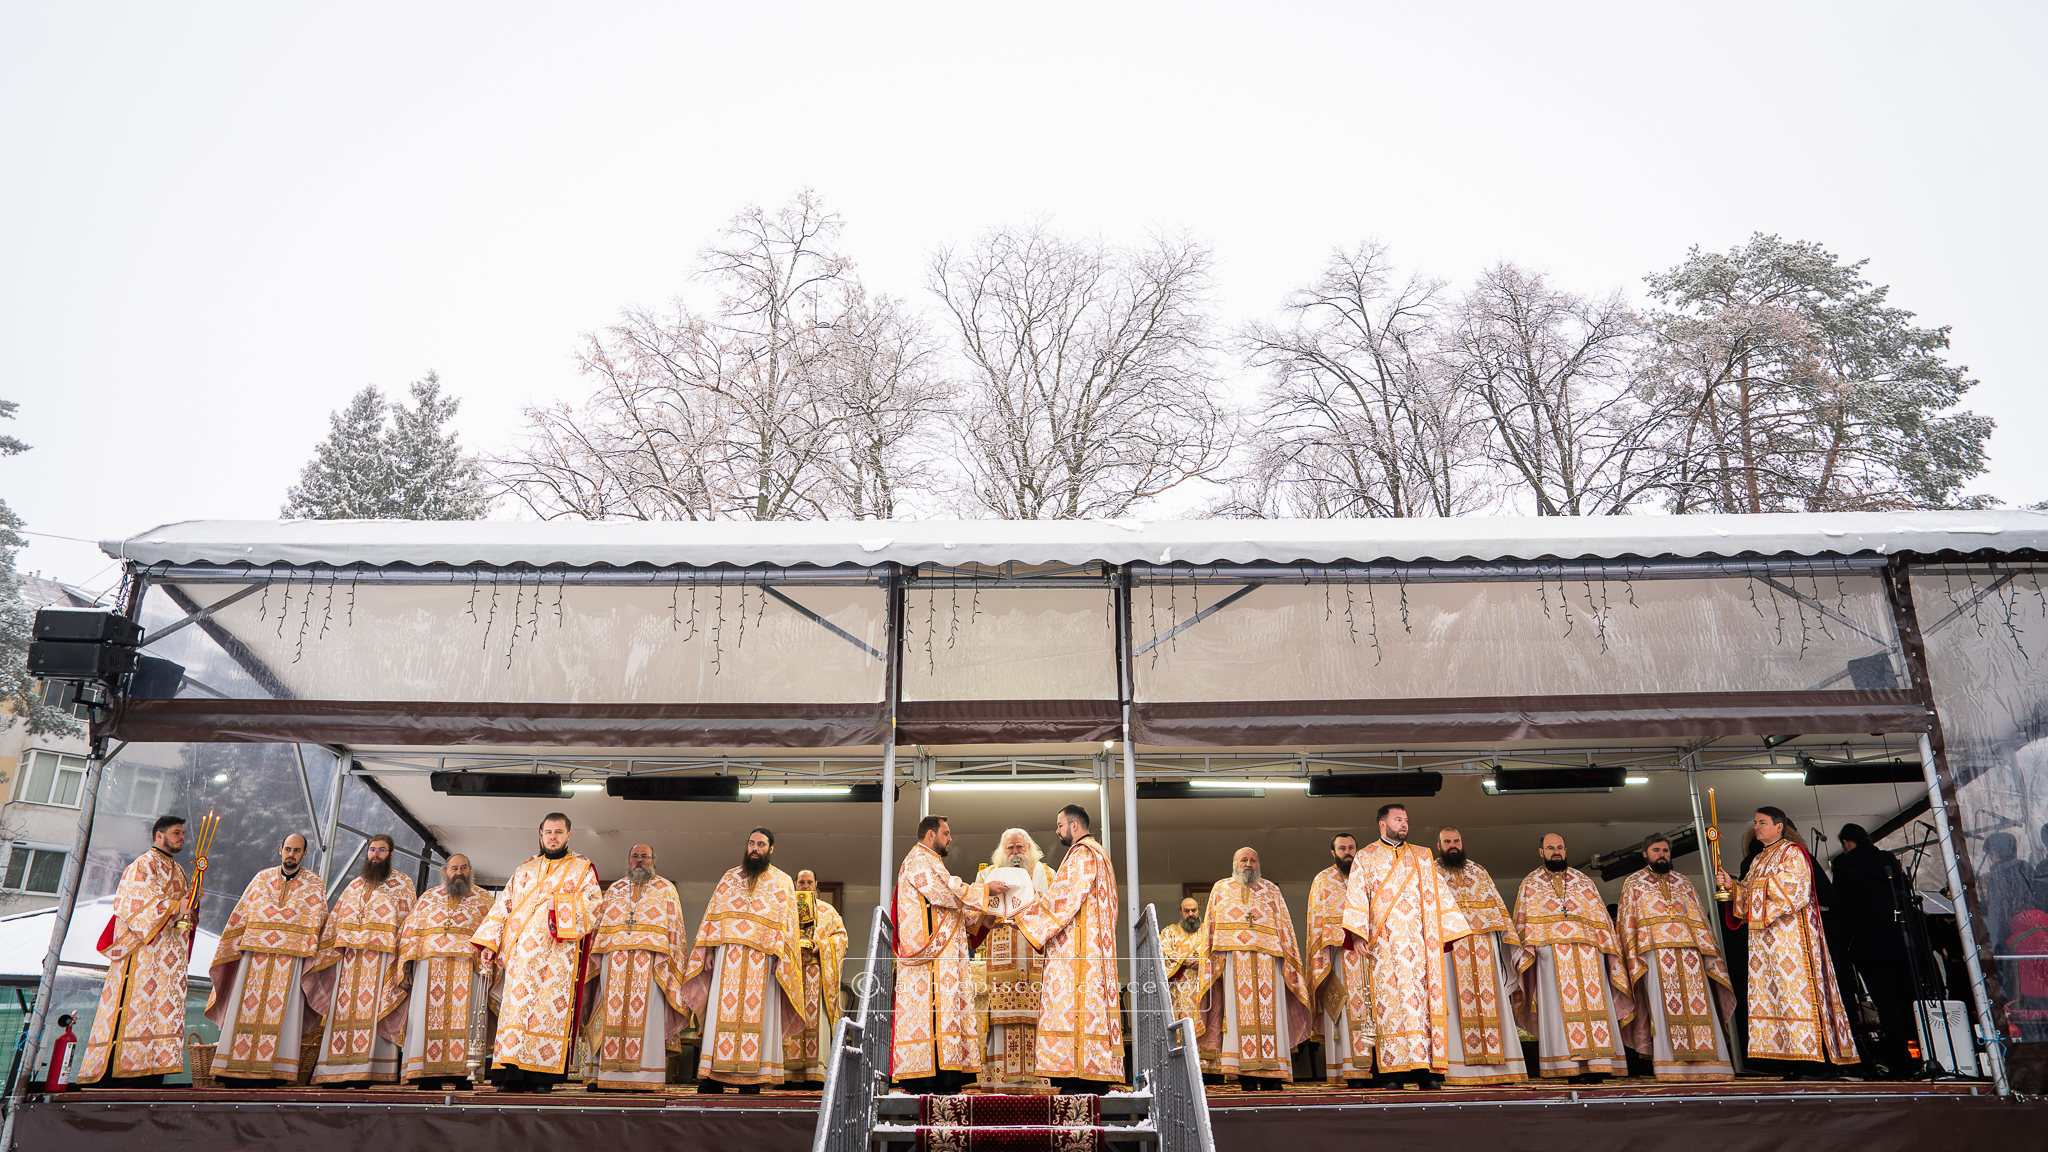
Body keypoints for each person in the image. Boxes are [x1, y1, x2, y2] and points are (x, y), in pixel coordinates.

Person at [1716, 807, 1859, 1079]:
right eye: (1755, 822)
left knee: (1799, 998)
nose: (1756, 827)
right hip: (1765, 945)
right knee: (1777, 999)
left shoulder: (1793, 852)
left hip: (1794, 943)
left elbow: (1793, 892)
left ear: (1779, 826)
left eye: (1762, 822)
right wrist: (1733, 886)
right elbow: (1746, 898)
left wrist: (1747, 889)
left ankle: (1817, 1063)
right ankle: (1791, 1059)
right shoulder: (1758, 859)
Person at [1340, 805, 1474, 1090]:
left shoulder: (1422, 855)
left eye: (1406, 820)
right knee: (1391, 1006)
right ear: (1382, 824)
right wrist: (1358, 934)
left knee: (1422, 1006)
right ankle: (1393, 1074)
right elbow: (1357, 894)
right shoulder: (1366, 856)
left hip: (1420, 945)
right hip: (1385, 945)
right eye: (1398, 819)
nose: (1404, 824)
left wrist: (1444, 934)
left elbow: (1439, 896)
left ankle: (1428, 1072)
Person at [472, 812, 602, 1094]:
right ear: (541, 835)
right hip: (521, 957)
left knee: (547, 1013)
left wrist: (562, 905)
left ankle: (542, 1078)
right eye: (548, 832)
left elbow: (594, 905)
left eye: (558, 832)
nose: (553, 837)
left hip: (558, 957)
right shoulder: (525, 869)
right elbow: (503, 906)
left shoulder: (581, 868)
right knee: (516, 1013)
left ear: (569, 835)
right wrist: (490, 944)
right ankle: (510, 1076)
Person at [680, 827, 807, 1094]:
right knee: (720, 1012)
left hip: (764, 960)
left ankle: (754, 1077)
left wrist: (782, 957)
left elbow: (788, 926)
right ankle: (713, 1077)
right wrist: (709, 950)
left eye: (760, 844)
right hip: (728, 957)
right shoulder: (730, 877)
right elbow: (713, 915)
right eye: (751, 843)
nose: (754, 848)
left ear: (771, 849)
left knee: (759, 1017)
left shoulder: (782, 881)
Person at [207, 832, 328, 1086]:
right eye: (288, 849)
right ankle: (233, 1068)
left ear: (305, 854)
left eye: (296, 850)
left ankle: (277, 1071)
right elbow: (242, 914)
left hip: (291, 961)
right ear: (280, 850)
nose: (291, 855)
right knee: (244, 1009)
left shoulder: (314, 884)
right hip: (254, 959)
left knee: (283, 1014)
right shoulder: (261, 878)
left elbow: (317, 922)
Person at [1016, 804, 1121, 1095]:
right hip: (1094, 950)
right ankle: (1089, 1075)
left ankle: (1079, 1077)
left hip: (1079, 953)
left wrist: (1024, 918)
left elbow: (1062, 897)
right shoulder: (1100, 854)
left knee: (1074, 1007)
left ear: (1074, 826)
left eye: (1060, 825)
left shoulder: (1083, 853)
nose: (1057, 831)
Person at [1511, 833, 1632, 1083]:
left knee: (1595, 1005)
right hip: (1551, 958)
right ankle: (1567, 1066)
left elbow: (1602, 921)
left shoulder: (1583, 881)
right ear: (1541, 852)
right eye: (1550, 848)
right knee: (1558, 1009)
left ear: (1566, 851)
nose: (1556, 852)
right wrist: (1537, 951)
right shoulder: (1530, 883)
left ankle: (1599, 1064)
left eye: (1560, 847)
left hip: (1589, 956)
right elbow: (1523, 925)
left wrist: (1604, 949)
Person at [79, 815, 191, 1086]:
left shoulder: (179, 871)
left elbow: (183, 914)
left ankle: (153, 1069)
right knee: (134, 1009)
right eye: (176, 833)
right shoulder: (143, 864)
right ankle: (119, 1072)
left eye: (182, 833)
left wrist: (191, 909)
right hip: (142, 955)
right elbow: (134, 905)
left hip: (168, 959)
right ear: (159, 835)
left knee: (161, 1011)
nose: (181, 838)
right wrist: (176, 906)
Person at [1614, 834, 1736, 1081]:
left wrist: (1706, 950)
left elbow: (1699, 919)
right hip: (1655, 953)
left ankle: (1712, 1067)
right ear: (1645, 854)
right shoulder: (1633, 883)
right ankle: (1672, 1068)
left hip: (1690, 954)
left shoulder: (1683, 882)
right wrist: (1633, 957)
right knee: (1663, 1008)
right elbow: (1627, 924)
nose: (1662, 855)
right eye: (1656, 850)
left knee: (1701, 1006)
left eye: (1666, 851)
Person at [890, 814, 996, 1094]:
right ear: (930, 835)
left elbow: (948, 910)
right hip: (926, 960)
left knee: (946, 1010)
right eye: (946, 833)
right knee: (931, 1014)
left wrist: (982, 920)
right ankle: (928, 1078)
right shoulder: (917, 860)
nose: (950, 839)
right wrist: (986, 890)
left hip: (942, 959)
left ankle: (948, 1075)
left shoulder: (932, 862)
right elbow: (947, 895)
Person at [305, 833, 416, 1085]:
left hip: (382, 963)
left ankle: (370, 1071)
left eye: (381, 850)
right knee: (342, 1014)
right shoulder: (354, 885)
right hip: (350, 963)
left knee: (375, 1012)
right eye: (372, 850)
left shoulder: (403, 884)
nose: (375, 854)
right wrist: (322, 954)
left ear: (391, 854)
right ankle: (334, 1073)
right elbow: (334, 922)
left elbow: (409, 927)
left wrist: (406, 966)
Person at [1198, 846, 1311, 1091]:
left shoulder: (1272, 890)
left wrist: (1289, 959)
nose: (1248, 864)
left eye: (1253, 860)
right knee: (1237, 1015)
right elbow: (1210, 929)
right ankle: (1245, 1076)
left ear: (1258, 864)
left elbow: (1286, 929)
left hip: (1269, 961)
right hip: (1234, 961)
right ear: (1235, 864)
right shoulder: (1221, 888)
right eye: (1244, 860)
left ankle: (1274, 1074)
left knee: (1273, 1013)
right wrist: (1211, 961)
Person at [380, 853, 495, 1090]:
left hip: (469, 969)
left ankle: (464, 1076)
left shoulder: (484, 899)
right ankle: (427, 1076)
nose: (459, 872)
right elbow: (409, 933)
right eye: (454, 868)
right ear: (445, 871)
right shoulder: (428, 898)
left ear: (470, 870)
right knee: (426, 1019)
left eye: (463, 868)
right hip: (429, 968)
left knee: (468, 1021)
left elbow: (495, 934)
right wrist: (406, 967)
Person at [581, 844, 689, 1091]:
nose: (639, 860)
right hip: (614, 962)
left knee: (648, 1015)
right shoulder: (615, 889)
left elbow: (676, 933)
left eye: (644, 856)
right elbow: (599, 929)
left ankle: (645, 1077)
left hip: (651, 964)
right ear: (628, 860)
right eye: (635, 856)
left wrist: (672, 968)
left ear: (654, 861)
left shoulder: (666, 889)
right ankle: (605, 1075)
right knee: (609, 1011)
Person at [1434, 826, 1527, 1087]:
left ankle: (1501, 1068)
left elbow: (1498, 910)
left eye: (1456, 841)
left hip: (1484, 945)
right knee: (1453, 1001)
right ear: (1438, 845)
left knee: (1491, 1000)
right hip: (1449, 946)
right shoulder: (1430, 871)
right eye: (1447, 841)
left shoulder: (1479, 871)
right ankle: (1458, 1070)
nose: (1453, 845)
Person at [1831, 822, 1920, 1076]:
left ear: (1846, 843)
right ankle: (1921, 1056)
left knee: (1887, 1004)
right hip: (1902, 942)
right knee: (1909, 1002)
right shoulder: (1891, 863)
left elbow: (1844, 910)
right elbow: (1906, 895)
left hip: (1869, 946)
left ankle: (1900, 1062)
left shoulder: (1846, 868)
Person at [975, 829, 1053, 1090]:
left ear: (1030, 849)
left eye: (1020, 847)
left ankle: (1038, 1084)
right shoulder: (988, 876)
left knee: (1038, 1019)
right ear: (1002, 850)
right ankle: (1000, 1083)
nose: (1016, 853)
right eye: (1010, 848)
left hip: (1037, 962)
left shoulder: (1048, 875)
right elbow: (975, 916)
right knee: (1002, 1020)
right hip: (1002, 964)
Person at [1305, 833, 1372, 1085]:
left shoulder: (1369, 876)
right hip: (1339, 957)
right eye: (1342, 848)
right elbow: (1315, 925)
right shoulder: (1322, 880)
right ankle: (1351, 1070)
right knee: (1344, 1008)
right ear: (1333, 853)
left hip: (1371, 956)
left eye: (1352, 847)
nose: (1348, 852)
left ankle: (1379, 1068)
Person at [786, 869, 848, 1088]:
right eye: (801, 882)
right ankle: (786, 1075)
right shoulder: (785, 911)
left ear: (816, 884)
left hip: (816, 974)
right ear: (795, 884)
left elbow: (841, 939)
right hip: (791, 975)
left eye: (809, 882)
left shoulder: (827, 911)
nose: (805, 886)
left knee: (817, 1022)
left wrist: (820, 946)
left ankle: (815, 1074)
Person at [1160, 897, 1214, 1074]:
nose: (1191, 914)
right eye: (1186, 911)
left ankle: (1209, 1070)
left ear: (1199, 911)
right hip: (1180, 992)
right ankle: (1184, 1067)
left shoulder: (1209, 931)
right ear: (1181, 912)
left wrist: (1204, 962)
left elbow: (1218, 953)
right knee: (1183, 1025)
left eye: (1194, 910)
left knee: (1208, 1021)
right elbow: (1163, 951)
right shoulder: (1170, 932)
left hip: (1205, 989)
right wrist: (1183, 960)